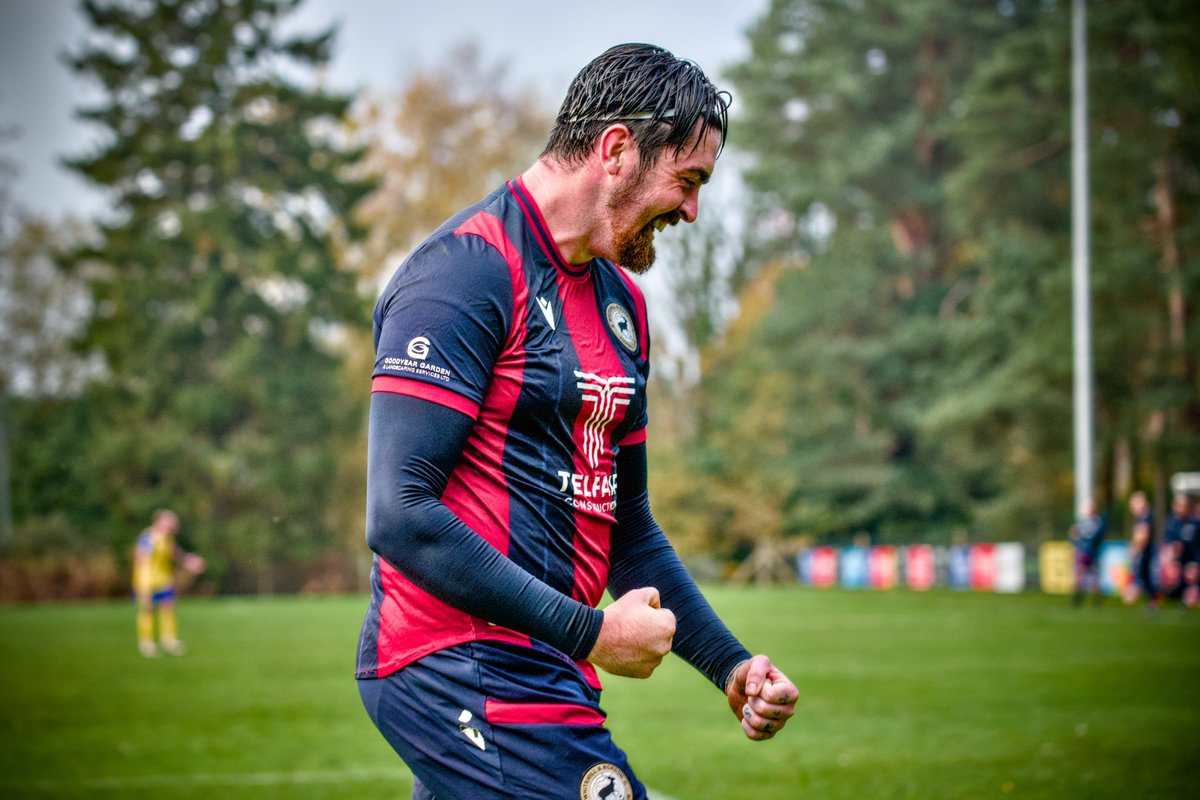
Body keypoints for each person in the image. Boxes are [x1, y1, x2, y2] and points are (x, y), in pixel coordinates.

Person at [355, 43, 797, 798]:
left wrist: (729, 665)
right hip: (458, 663)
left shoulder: (624, 308)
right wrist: (593, 632)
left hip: (542, 666)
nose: (692, 210)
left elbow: (628, 529)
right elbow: (400, 514)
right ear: (616, 151)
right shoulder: (465, 272)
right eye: (688, 180)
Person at [132, 509, 204, 657]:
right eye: (169, 522)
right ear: (158, 522)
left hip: (163, 581)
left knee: (168, 608)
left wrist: (188, 561)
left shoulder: (167, 537)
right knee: (147, 611)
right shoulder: (148, 537)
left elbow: (174, 552)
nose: (171, 526)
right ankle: (146, 643)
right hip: (147, 582)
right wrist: (141, 585)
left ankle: (168, 641)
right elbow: (140, 558)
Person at [1162, 493, 1199, 610]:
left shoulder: (1194, 523)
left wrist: (1196, 564)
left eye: (1182, 505)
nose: (1180, 508)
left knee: (1191, 574)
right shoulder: (1171, 522)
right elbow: (1167, 543)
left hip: (1192, 560)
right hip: (1177, 561)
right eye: (1178, 505)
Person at [1122, 491, 1157, 612]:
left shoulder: (1144, 517)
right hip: (1144, 550)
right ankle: (1151, 602)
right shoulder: (1142, 517)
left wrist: (1135, 548)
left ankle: (1145, 599)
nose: (1132, 508)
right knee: (1145, 577)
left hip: (1145, 551)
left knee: (1143, 576)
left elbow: (1143, 535)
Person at [1069, 496, 1106, 606]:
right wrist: (1074, 537)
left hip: (1092, 552)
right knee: (1079, 574)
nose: (1089, 509)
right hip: (1082, 551)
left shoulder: (1098, 521)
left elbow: (1098, 536)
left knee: (1094, 576)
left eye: (1091, 507)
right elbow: (1074, 534)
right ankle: (1077, 597)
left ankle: (1097, 599)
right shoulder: (1082, 521)